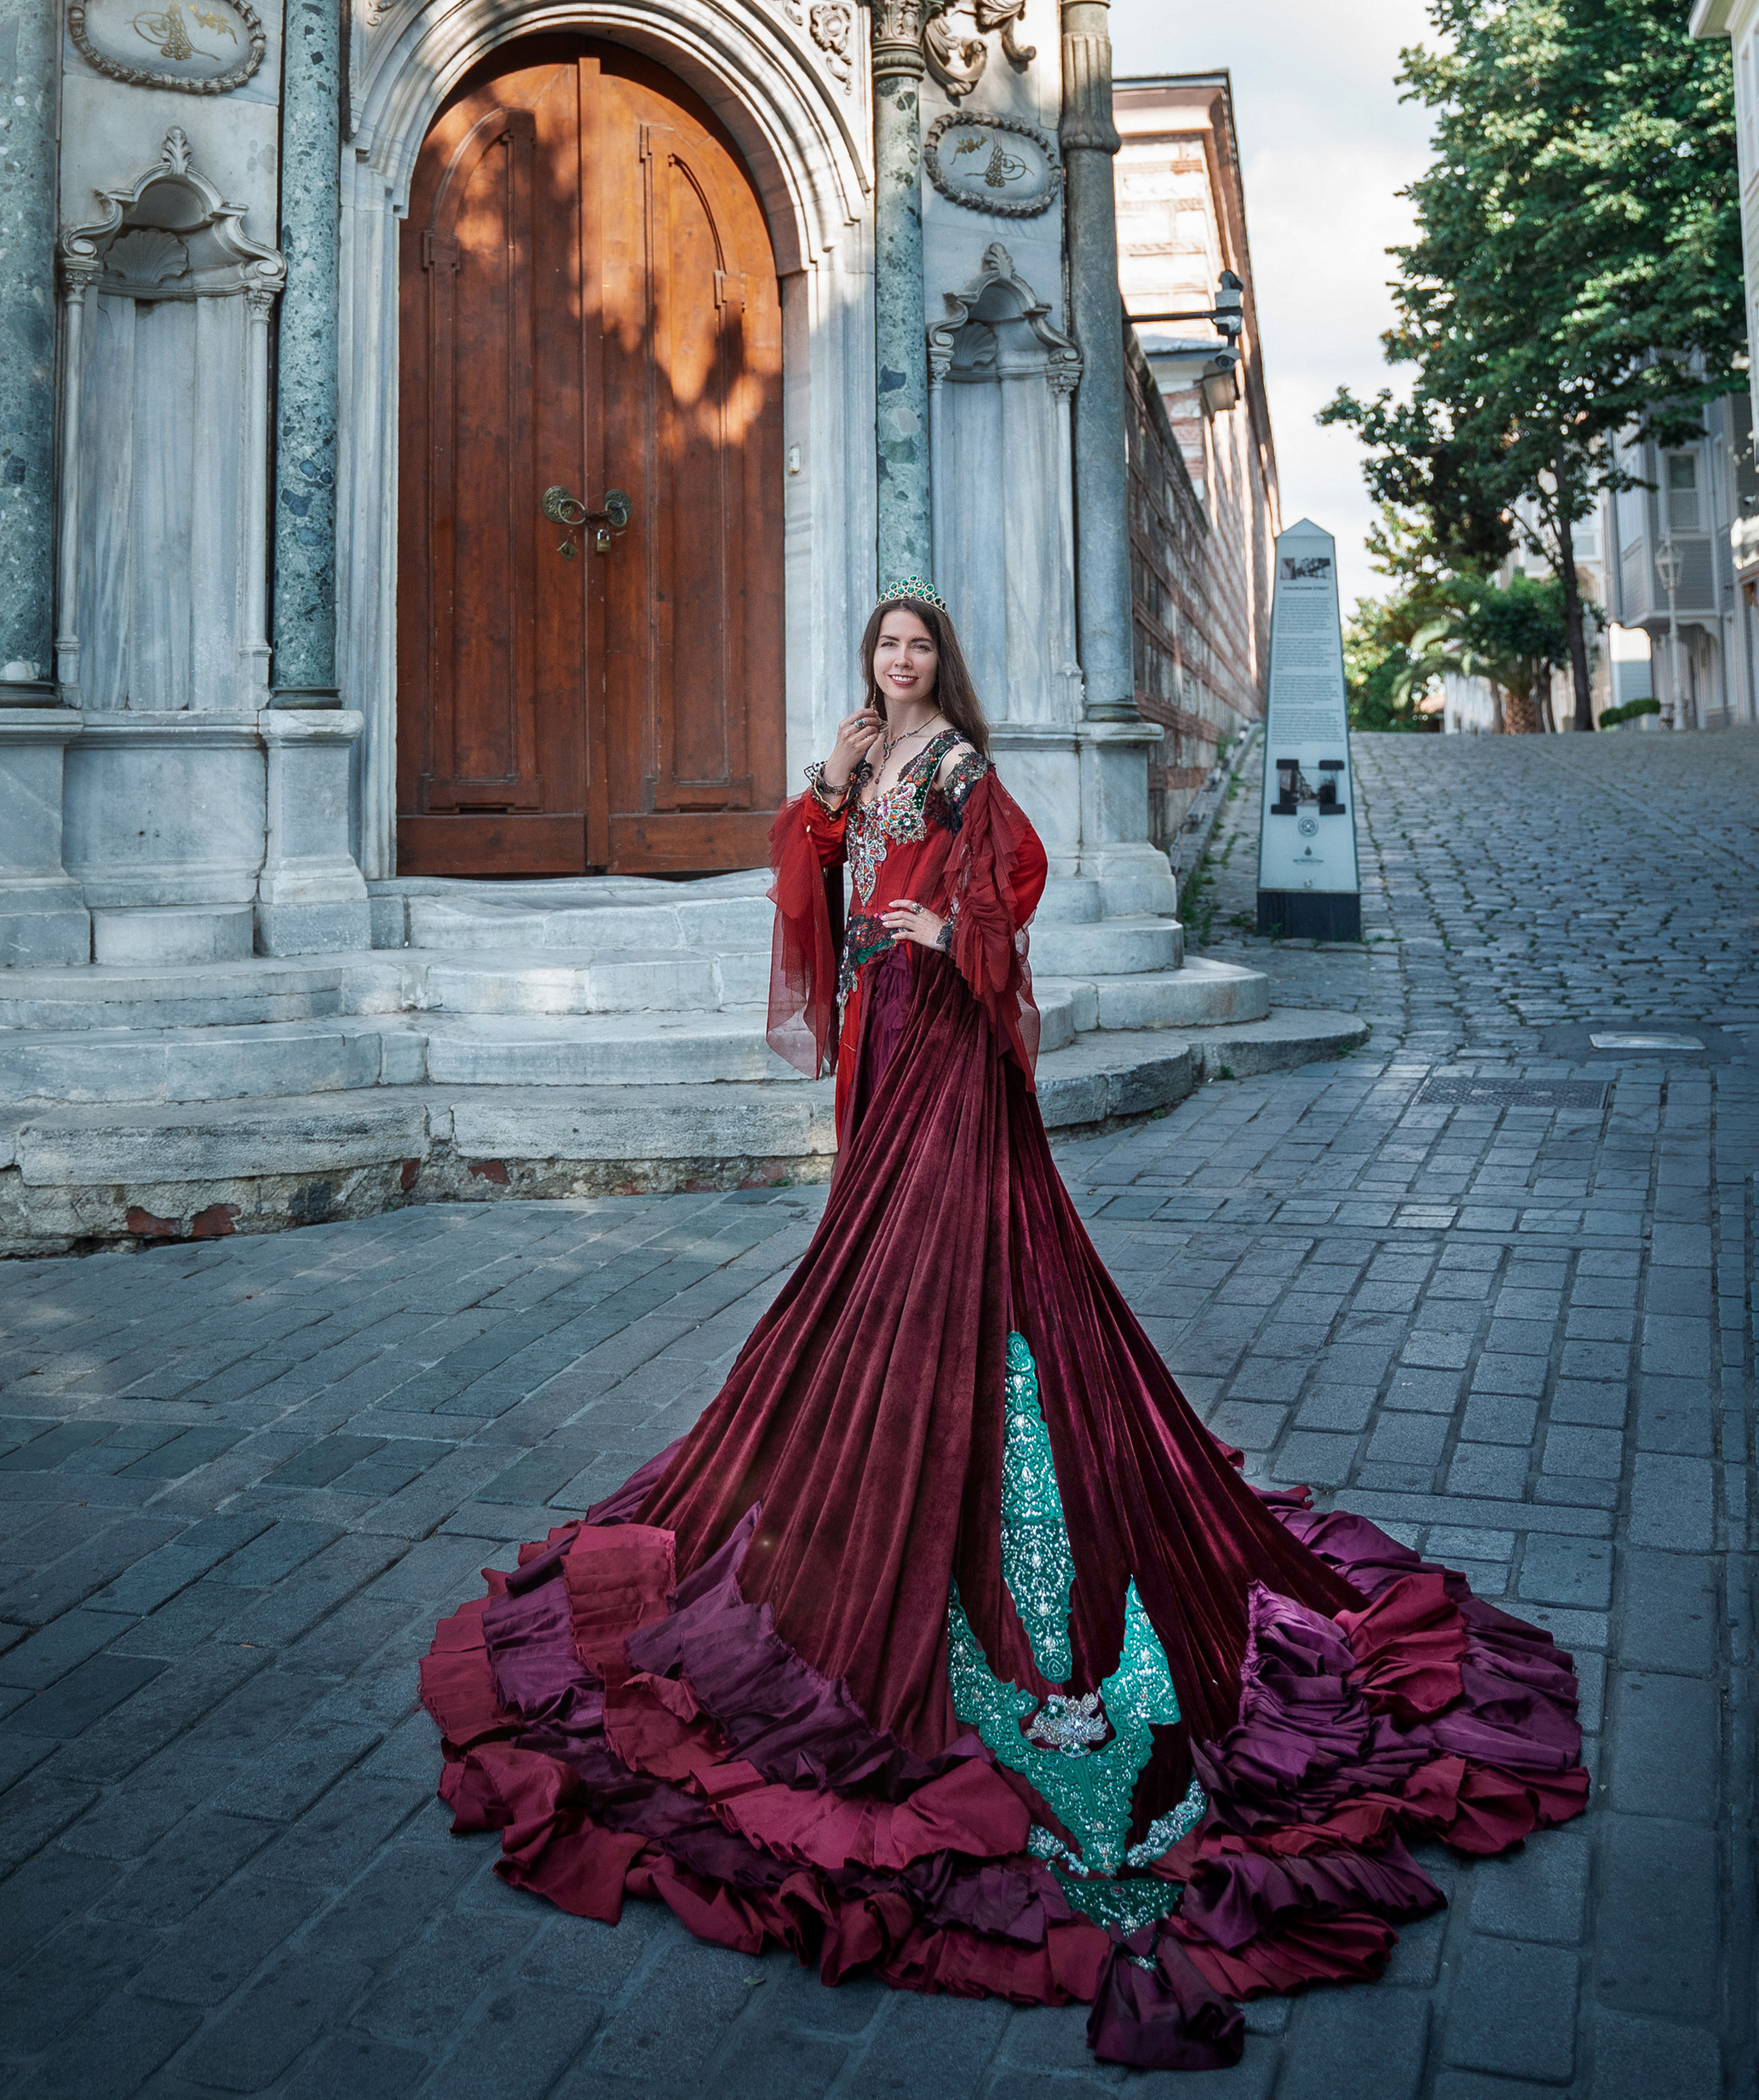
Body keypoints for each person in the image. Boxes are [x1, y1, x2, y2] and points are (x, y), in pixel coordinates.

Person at [421, 579, 1586, 2069]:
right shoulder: (867, 751)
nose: (903, 662)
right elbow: (806, 866)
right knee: (871, 1238)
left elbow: (1015, 879)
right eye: (887, 648)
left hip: (939, 1029)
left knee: (950, 1241)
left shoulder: (966, 768)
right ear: (869, 665)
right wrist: (832, 802)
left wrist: (931, 919)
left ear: (942, 664)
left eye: (919, 648)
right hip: (877, 1034)